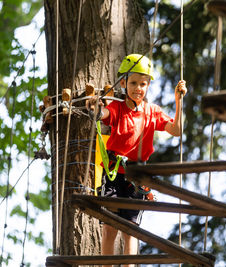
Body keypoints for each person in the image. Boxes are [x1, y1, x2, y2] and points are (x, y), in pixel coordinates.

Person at [86, 54, 186, 267]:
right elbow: (103, 114)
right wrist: (95, 108)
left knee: (131, 230)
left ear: (148, 86)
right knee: (110, 227)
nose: (138, 88)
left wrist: (179, 102)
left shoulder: (153, 112)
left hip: (136, 177)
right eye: (133, 83)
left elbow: (176, 130)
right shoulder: (118, 108)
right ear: (123, 83)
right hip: (113, 172)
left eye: (143, 84)